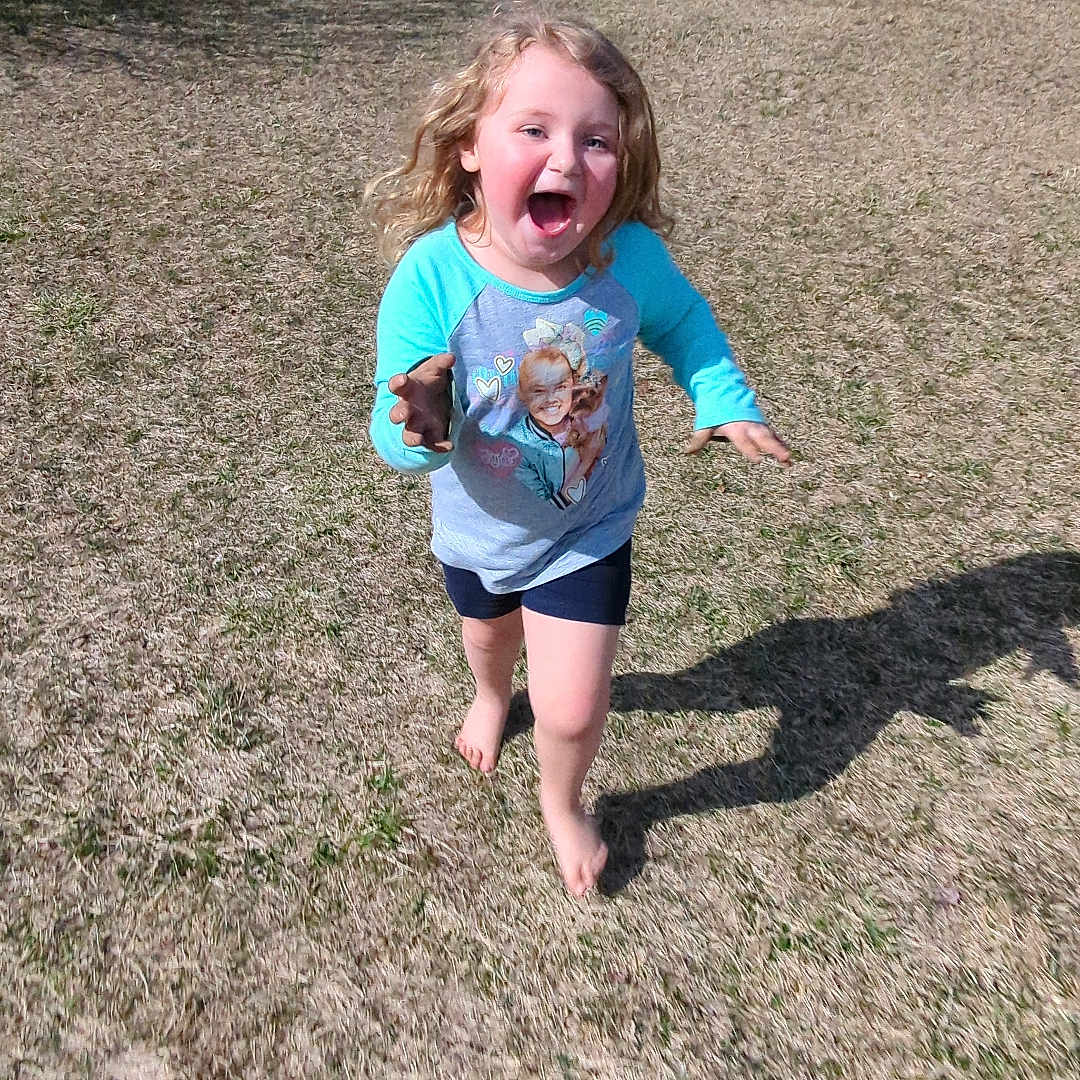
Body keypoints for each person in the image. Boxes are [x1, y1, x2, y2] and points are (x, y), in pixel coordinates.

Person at [367, 12, 792, 897]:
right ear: (468, 150)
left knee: (569, 705)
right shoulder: (431, 275)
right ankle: (489, 697)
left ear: (621, 166)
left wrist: (721, 397)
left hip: (587, 525)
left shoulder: (625, 258)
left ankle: (562, 801)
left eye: (596, 140)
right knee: (488, 638)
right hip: (480, 528)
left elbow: (684, 326)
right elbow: (393, 427)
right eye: (534, 129)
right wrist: (418, 428)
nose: (565, 158)